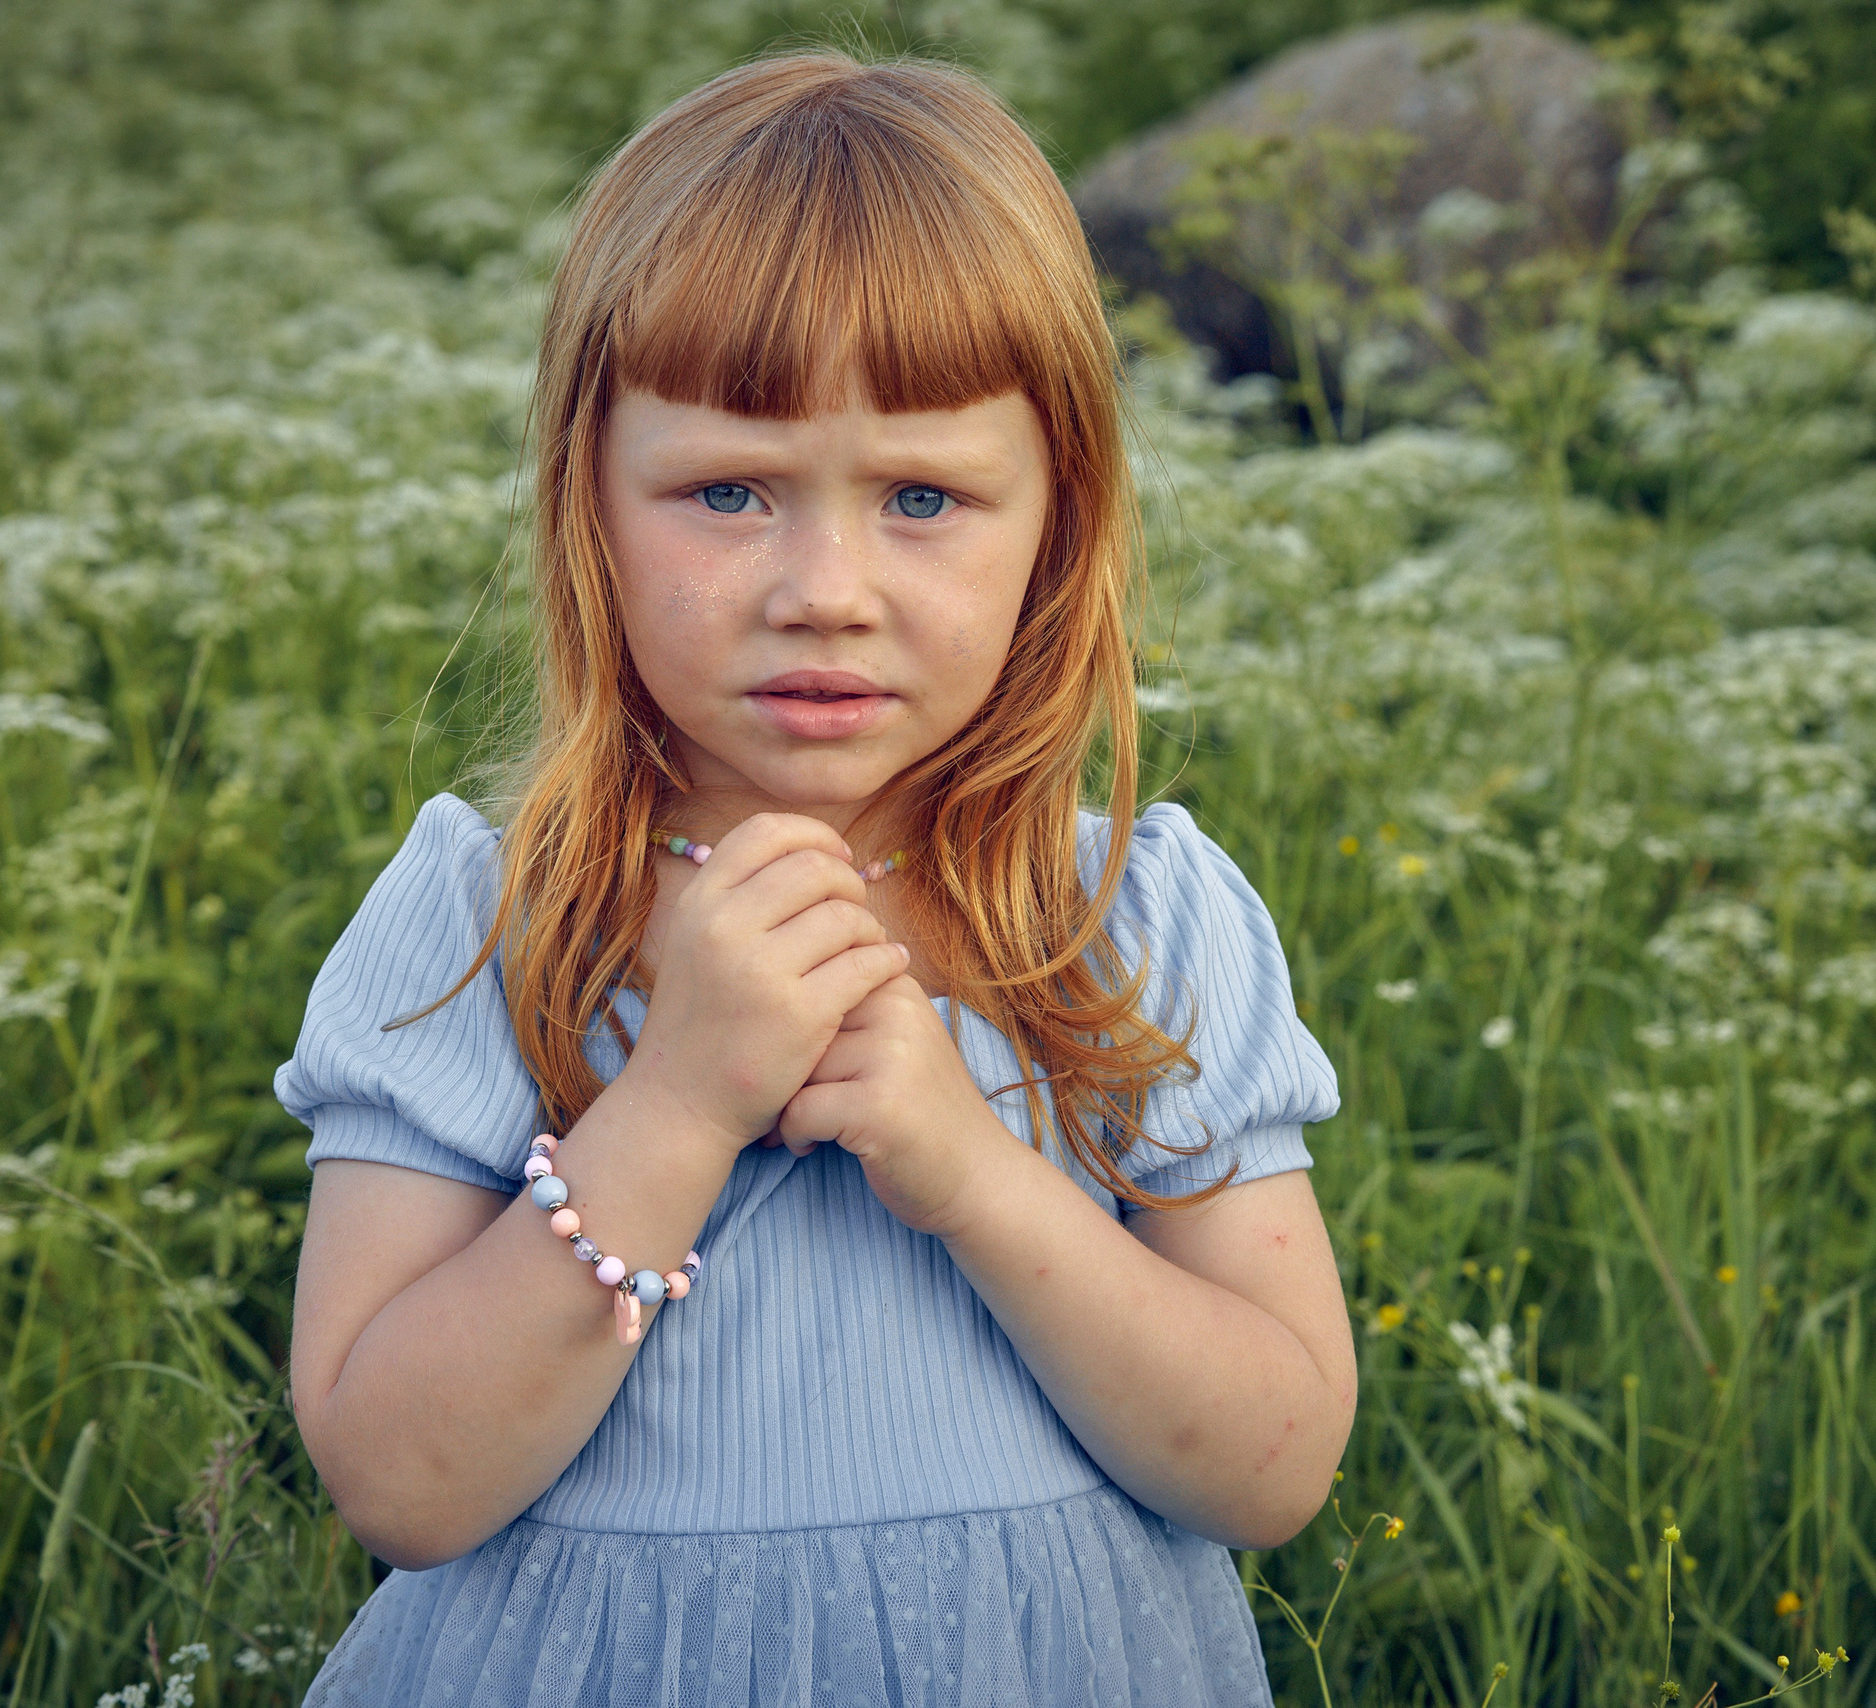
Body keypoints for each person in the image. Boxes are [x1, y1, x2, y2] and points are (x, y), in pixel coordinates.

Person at [274, 46, 1353, 1706]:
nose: (826, 587)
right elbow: (403, 1485)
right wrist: (678, 1104)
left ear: (1054, 525)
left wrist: (965, 1165)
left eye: (924, 495)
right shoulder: (488, 920)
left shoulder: (1136, 919)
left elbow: (1270, 1468)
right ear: (592, 510)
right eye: (728, 492)